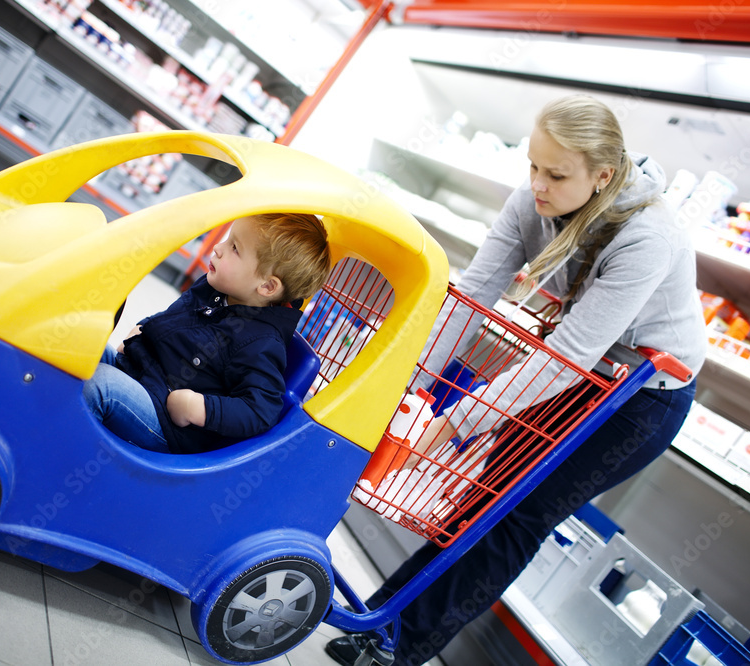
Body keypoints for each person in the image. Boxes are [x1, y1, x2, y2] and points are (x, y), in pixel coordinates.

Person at [326, 94, 707, 665]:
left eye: (555, 174)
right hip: (576, 371)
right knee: (480, 502)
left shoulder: (648, 238)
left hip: (640, 398)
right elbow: (473, 296)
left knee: (518, 512)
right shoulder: (533, 201)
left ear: (603, 177)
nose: (537, 184)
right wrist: (405, 386)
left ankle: (397, 649)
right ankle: (381, 625)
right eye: (533, 165)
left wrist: (455, 423)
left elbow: (567, 355)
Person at [84, 212, 331, 454]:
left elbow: (261, 410)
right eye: (227, 239)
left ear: (267, 286)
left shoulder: (260, 342)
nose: (218, 248)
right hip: (141, 374)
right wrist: (143, 330)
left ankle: (61, 459)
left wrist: (199, 407)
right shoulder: (213, 292)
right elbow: (173, 321)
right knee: (80, 350)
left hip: (165, 423)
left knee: (99, 385)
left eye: (234, 248)